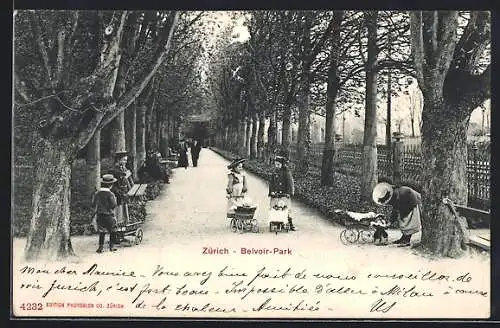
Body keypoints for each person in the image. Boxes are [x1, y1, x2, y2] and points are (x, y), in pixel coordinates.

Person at [372, 182, 422, 247]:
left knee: (408, 222)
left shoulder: (400, 194)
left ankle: (406, 240)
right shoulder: (394, 194)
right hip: (406, 203)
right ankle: (404, 238)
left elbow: (397, 209)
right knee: (403, 222)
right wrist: (390, 222)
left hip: (412, 202)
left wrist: (391, 222)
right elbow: (395, 209)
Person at [92, 174, 119, 253]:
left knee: (102, 231)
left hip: (100, 215)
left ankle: (100, 247)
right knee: (113, 230)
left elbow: (93, 204)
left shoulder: (97, 193)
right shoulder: (111, 194)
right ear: (110, 185)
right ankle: (112, 246)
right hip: (109, 216)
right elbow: (113, 205)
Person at [269, 155, 296, 231]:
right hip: (276, 194)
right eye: (275, 164)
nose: (276, 166)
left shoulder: (286, 172)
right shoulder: (274, 173)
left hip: (284, 194)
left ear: (282, 165)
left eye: (278, 164)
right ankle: (275, 222)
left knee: (286, 208)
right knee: (274, 208)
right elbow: (271, 183)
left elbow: (290, 183)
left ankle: (290, 223)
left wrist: (288, 192)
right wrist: (271, 191)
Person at [110, 151, 134, 225]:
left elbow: (128, 181)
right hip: (117, 193)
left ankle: (123, 223)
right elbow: (113, 184)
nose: (125, 162)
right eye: (124, 160)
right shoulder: (114, 170)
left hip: (123, 192)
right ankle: (117, 223)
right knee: (118, 210)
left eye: (126, 160)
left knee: (124, 208)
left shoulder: (124, 168)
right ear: (118, 160)